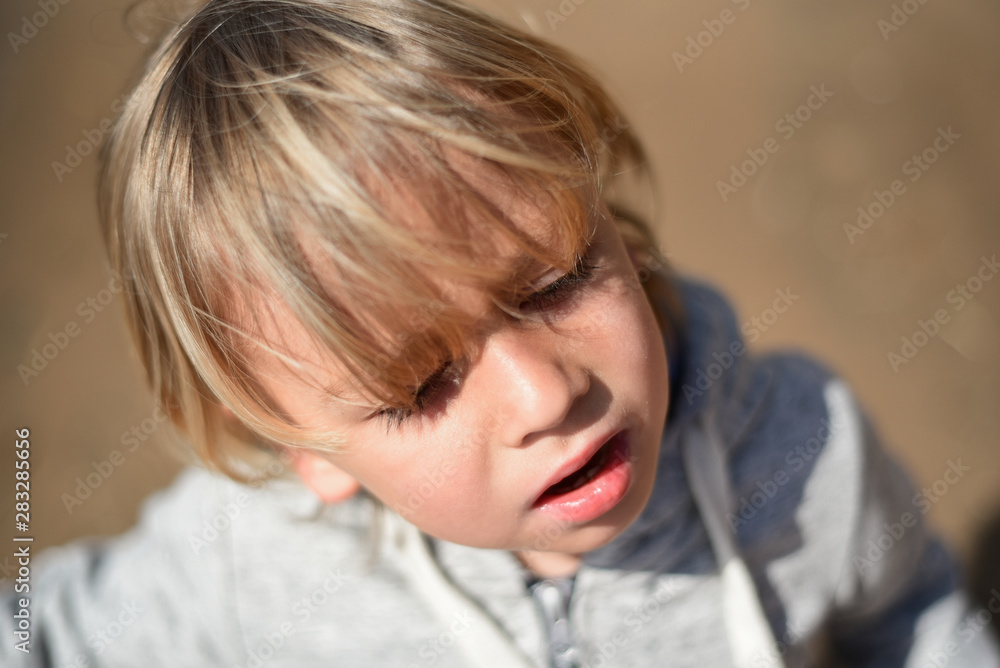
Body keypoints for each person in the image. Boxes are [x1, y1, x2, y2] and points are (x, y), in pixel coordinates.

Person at [3, 1, 997, 666]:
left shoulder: (799, 453)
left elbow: (908, 612)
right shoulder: (243, 560)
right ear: (299, 446)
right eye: (418, 386)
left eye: (556, 281)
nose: (546, 393)